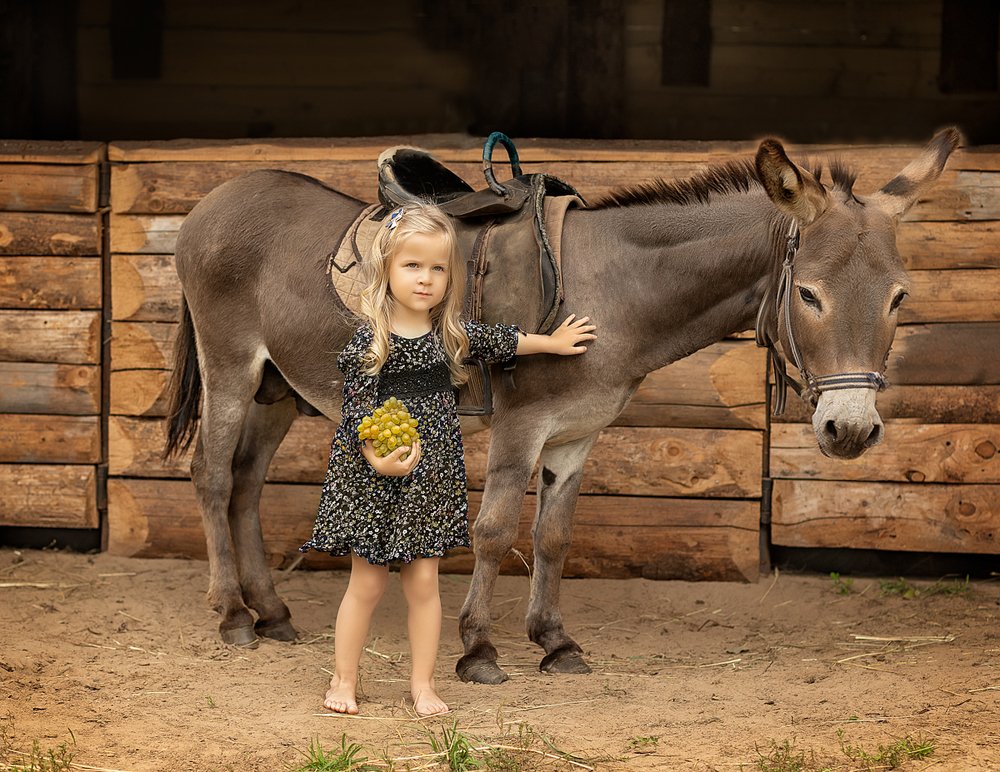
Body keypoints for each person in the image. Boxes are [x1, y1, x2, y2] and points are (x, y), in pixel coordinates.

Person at [298, 202, 597, 717]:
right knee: (366, 584)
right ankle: (343, 678)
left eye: (438, 268)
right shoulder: (371, 341)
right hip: (372, 478)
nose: (425, 278)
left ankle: (423, 684)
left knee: (424, 585)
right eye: (412, 265)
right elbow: (356, 412)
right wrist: (376, 457)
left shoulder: (450, 334)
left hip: (429, 480)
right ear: (386, 269)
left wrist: (552, 342)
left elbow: (500, 340)